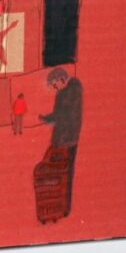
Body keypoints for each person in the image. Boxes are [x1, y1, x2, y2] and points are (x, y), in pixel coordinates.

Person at [39, 68, 84, 212]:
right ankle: (61, 206)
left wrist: (49, 119)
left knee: (63, 175)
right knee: (62, 174)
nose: (54, 87)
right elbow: (60, 114)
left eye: (54, 84)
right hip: (64, 139)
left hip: (66, 139)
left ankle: (63, 207)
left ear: (61, 80)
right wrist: (48, 118)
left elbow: (63, 115)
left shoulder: (68, 92)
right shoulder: (68, 92)